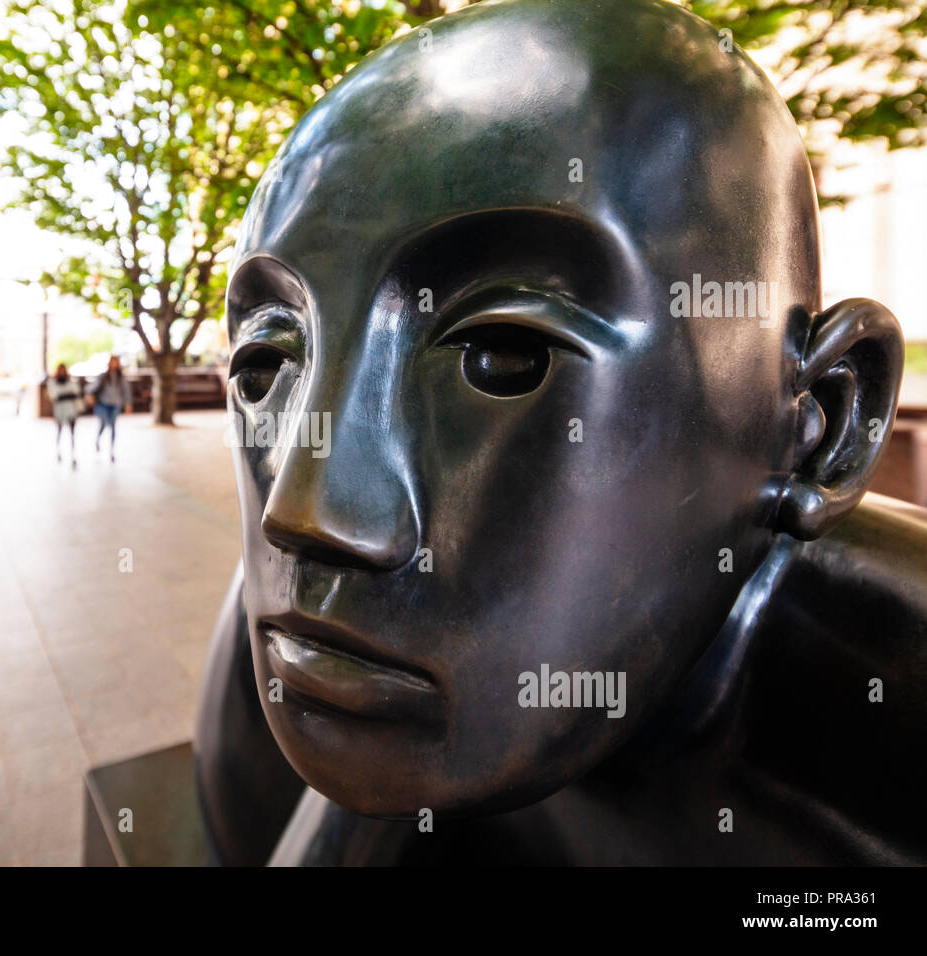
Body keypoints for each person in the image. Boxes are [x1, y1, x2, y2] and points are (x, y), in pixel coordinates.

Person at [196, 0, 924, 866]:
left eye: (503, 359)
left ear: (818, 423)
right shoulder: (302, 652)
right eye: (264, 367)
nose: (306, 514)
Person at [86, 355, 133, 461]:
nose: (114, 364)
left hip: (115, 404)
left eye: (115, 362)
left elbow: (126, 391)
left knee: (112, 426)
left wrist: (128, 404)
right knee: (103, 423)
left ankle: (111, 450)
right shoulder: (103, 376)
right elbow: (92, 387)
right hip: (103, 404)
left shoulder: (121, 378)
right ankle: (98, 440)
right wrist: (90, 394)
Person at [47, 362, 83, 467]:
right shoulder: (53, 383)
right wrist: (67, 394)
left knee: (72, 434)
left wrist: (64, 395)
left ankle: (73, 454)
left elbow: (75, 393)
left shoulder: (71, 382)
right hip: (59, 412)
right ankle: (58, 451)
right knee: (59, 432)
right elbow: (55, 396)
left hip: (71, 411)